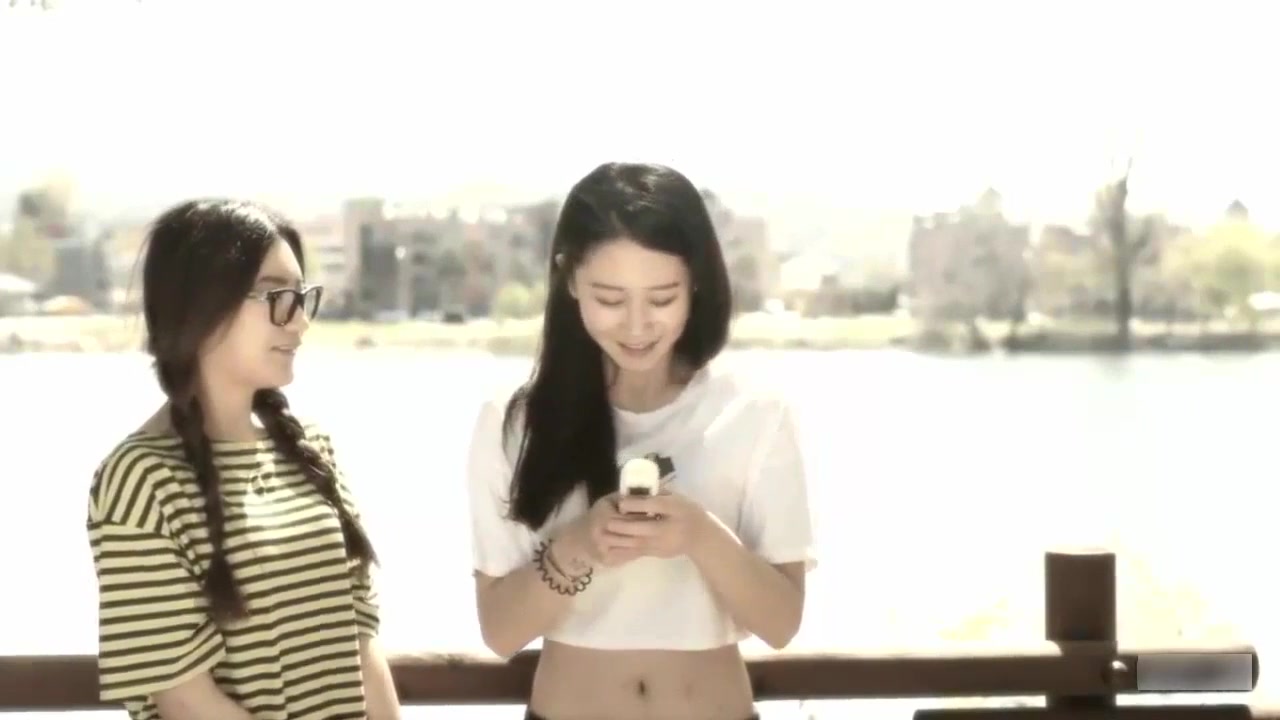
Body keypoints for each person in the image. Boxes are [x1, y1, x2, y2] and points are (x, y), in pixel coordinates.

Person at [466, 162, 816, 720]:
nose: (636, 325)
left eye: (661, 299)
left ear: (695, 283)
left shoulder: (755, 413)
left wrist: (698, 535)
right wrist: (581, 544)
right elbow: (500, 631)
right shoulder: (516, 423)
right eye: (610, 299)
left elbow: (782, 623)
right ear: (569, 279)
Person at [85, 199, 401, 720]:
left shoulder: (313, 451)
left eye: (303, 297)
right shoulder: (140, 479)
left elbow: (362, 642)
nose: (300, 322)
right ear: (202, 305)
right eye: (278, 296)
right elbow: (184, 697)